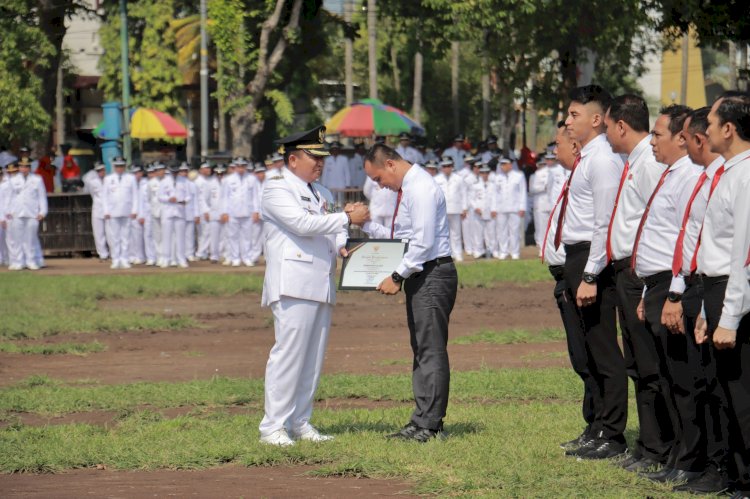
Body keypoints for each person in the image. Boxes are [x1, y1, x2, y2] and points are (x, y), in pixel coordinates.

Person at [258, 125, 369, 446]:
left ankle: (300, 422)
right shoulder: (276, 187)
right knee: (288, 356)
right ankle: (272, 428)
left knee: (312, 359)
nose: (320, 163)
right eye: (313, 157)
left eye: (323, 158)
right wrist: (347, 218)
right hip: (292, 282)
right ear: (292, 159)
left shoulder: (320, 192)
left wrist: (342, 245)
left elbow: (330, 233)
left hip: (320, 281)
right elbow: (302, 224)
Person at [361, 143, 458, 442]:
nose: (381, 186)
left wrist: (396, 275)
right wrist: (366, 226)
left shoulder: (421, 188)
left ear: (390, 164)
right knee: (422, 347)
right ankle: (422, 419)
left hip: (431, 273)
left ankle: (430, 424)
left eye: (378, 179)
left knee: (430, 348)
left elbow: (423, 243)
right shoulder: (411, 188)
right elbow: (402, 240)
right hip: (423, 274)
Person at [602, 94, 674, 473]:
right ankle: (648, 445)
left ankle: (658, 446)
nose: (606, 132)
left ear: (621, 126)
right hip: (627, 272)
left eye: (608, 125)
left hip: (638, 273)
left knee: (648, 364)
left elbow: (659, 222)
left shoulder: (648, 162)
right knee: (636, 362)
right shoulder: (636, 159)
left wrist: (642, 276)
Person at [632, 104, 703, 484]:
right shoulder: (669, 174)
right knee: (665, 373)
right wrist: (648, 290)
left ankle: (690, 459)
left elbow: (686, 242)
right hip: (659, 284)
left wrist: (674, 292)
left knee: (682, 377)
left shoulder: (688, 176)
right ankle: (678, 451)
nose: (652, 141)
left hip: (676, 283)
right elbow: (660, 238)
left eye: (658, 135)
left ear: (681, 137)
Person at [560, 84, 628, 460]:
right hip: (578, 256)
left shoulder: (602, 159)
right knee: (588, 348)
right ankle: (598, 425)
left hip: (591, 258)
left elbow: (605, 221)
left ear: (597, 119)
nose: (568, 122)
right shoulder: (588, 156)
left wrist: (590, 274)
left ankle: (613, 434)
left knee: (603, 349)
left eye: (575, 115)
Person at [668, 107, 729, 494]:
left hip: (714, 287)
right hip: (694, 284)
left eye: (695, 133)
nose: (692, 139)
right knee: (700, 381)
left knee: (718, 386)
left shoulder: (724, 178)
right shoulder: (706, 178)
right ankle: (707, 462)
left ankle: (723, 467)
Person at [695, 91, 750, 499]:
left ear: (729, 129)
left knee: (742, 393)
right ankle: (735, 475)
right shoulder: (730, 171)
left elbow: (743, 253)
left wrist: (729, 316)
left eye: (711, 122)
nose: (706, 129)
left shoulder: (746, 176)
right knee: (725, 390)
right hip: (715, 290)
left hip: (733, 294)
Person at [5, 159, 47, 270]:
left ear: (29, 167)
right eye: (22, 167)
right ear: (19, 167)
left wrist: (42, 211)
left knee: (30, 239)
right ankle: (18, 261)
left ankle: (31, 261)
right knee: (17, 239)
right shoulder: (13, 180)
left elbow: (42, 197)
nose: (24, 169)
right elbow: (9, 197)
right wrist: (7, 211)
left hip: (32, 212)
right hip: (16, 212)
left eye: (26, 167)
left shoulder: (37, 179)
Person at [220, 157, 261, 267]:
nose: (241, 168)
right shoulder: (228, 179)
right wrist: (224, 212)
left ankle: (247, 257)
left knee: (247, 236)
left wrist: (257, 211)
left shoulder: (252, 179)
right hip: (232, 212)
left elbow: (256, 196)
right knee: (233, 236)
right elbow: (224, 197)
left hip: (248, 212)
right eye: (238, 166)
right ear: (235, 167)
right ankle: (235, 258)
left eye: (243, 166)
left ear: (246, 166)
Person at [102, 157, 138, 270]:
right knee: (115, 237)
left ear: (125, 166)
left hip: (127, 211)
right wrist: (106, 211)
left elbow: (135, 196)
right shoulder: (108, 179)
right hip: (113, 211)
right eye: (117, 166)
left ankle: (125, 259)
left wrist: (134, 210)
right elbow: (105, 196)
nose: (119, 168)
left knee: (126, 237)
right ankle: (115, 259)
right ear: (114, 166)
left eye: (121, 166)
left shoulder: (131, 178)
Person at [490, 157, 527, 260]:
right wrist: (493, 208)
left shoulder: (519, 176)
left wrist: (522, 207)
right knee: (501, 230)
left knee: (514, 231)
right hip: (500, 208)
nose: (503, 166)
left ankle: (515, 252)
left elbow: (522, 192)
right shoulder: (497, 177)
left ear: (510, 165)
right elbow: (494, 194)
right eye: (501, 164)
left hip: (514, 208)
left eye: (505, 164)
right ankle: (503, 251)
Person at [434, 156, 467, 262]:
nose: (447, 168)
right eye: (444, 166)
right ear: (441, 167)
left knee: (456, 233)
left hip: (456, 208)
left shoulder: (459, 178)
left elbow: (464, 194)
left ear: (452, 167)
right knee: (443, 233)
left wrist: (464, 208)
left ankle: (458, 253)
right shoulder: (436, 179)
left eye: (449, 166)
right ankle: (446, 254)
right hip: (441, 210)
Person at [159, 163, 192, 268]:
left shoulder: (184, 181)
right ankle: (166, 258)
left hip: (180, 211)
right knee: (166, 236)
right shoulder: (164, 182)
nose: (175, 173)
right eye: (173, 171)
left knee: (180, 237)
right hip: (168, 211)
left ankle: (181, 259)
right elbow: (159, 196)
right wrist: (168, 198)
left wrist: (185, 201)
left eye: (176, 171)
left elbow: (189, 195)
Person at [83, 162, 109, 262]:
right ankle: (103, 254)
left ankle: (113, 252)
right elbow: (92, 194)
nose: (101, 172)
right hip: (97, 208)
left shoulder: (109, 180)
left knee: (110, 233)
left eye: (102, 170)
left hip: (109, 210)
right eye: (99, 171)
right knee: (98, 233)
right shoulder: (93, 182)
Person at [468, 163, 494, 258]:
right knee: (478, 232)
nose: (485, 174)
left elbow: (495, 198)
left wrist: (494, 209)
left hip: (490, 211)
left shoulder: (493, 185)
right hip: (478, 212)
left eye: (487, 172)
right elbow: (471, 198)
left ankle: (490, 250)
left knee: (490, 232)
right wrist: (476, 208)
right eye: (483, 172)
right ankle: (478, 251)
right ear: (480, 173)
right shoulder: (475, 185)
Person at [248, 163, 266, 264]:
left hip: (267, 214)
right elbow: (252, 199)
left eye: (261, 172)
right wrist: (255, 211)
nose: (260, 174)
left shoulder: (269, 182)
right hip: (254, 213)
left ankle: (268, 258)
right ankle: (254, 257)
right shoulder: (252, 183)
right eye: (258, 172)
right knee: (255, 236)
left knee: (267, 236)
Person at [194, 162, 213, 261]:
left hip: (205, 209)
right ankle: (200, 252)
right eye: (206, 168)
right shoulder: (199, 182)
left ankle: (203, 253)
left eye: (209, 168)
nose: (208, 170)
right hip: (202, 210)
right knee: (206, 232)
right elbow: (200, 198)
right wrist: (206, 211)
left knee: (203, 233)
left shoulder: (207, 180)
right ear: (201, 170)